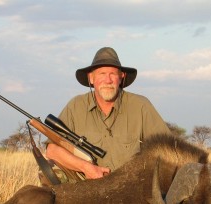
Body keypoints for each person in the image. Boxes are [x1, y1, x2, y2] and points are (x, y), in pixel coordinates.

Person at [46, 47, 170, 180]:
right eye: (102, 74)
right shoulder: (75, 106)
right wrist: (85, 167)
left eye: (113, 74)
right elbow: (52, 150)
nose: (108, 80)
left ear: (121, 77)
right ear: (91, 78)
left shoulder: (141, 105)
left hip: (130, 187)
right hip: (87, 185)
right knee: (48, 173)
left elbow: (168, 149)